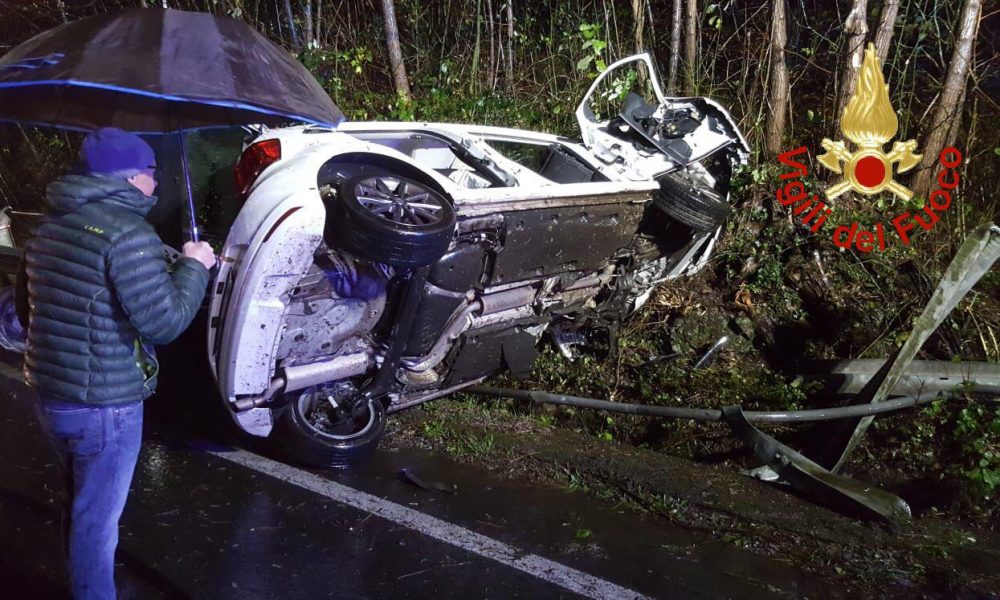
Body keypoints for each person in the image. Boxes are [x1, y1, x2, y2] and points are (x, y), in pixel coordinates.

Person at [14, 127, 216, 599]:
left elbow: (29, 312)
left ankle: (83, 578)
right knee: (98, 520)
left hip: (49, 394)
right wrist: (195, 267)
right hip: (106, 405)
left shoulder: (48, 227)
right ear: (129, 179)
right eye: (150, 173)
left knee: (78, 499)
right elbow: (164, 323)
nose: (155, 183)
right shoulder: (128, 234)